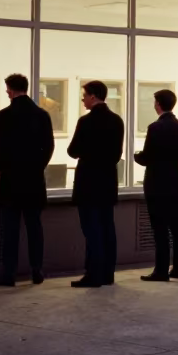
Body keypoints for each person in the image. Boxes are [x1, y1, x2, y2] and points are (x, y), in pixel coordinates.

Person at [0, 73, 54, 287]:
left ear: (11, 89)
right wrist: (38, 168)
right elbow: (49, 146)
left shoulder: (4, 115)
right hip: (34, 180)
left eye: (7, 89)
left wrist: (5, 170)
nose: (6, 92)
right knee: (35, 227)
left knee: (10, 230)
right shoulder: (42, 115)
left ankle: (9, 274)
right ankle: (37, 270)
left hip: (11, 181)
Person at [68, 80, 124, 288]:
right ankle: (108, 273)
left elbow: (73, 150)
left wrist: (87, 152)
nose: (83, 99)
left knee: (91, 230)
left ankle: (93, 274)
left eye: (84, 95)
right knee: (107, 227)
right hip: (107, 181)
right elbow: (116, 154)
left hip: (88, 182)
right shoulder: (117, 121)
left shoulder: (86, 122)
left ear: (93, 96)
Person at [134, 88, 178, 282]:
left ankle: (161, 270)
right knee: (176, 224)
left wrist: (136, 156)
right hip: (175, 178)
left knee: (159, 226)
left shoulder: (155, 128)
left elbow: (148, 156)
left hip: (157, 180)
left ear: (158, 104)